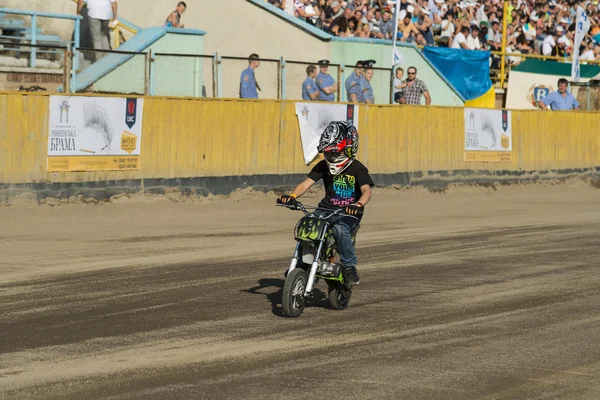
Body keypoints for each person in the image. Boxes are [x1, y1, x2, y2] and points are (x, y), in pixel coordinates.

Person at [277, 121, 374, 285]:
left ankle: (349, 267)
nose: (330, 157)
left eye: (334, 153)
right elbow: (306, 184)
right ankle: (301, 262)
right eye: (328, 153)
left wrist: (358, 205)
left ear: (348, 148)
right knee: (307, 226)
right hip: (325, 208)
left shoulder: (357, 168)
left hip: (348, 213)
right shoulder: (323, 165)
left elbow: (366, 191)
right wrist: (292, 196)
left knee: (340, 230)